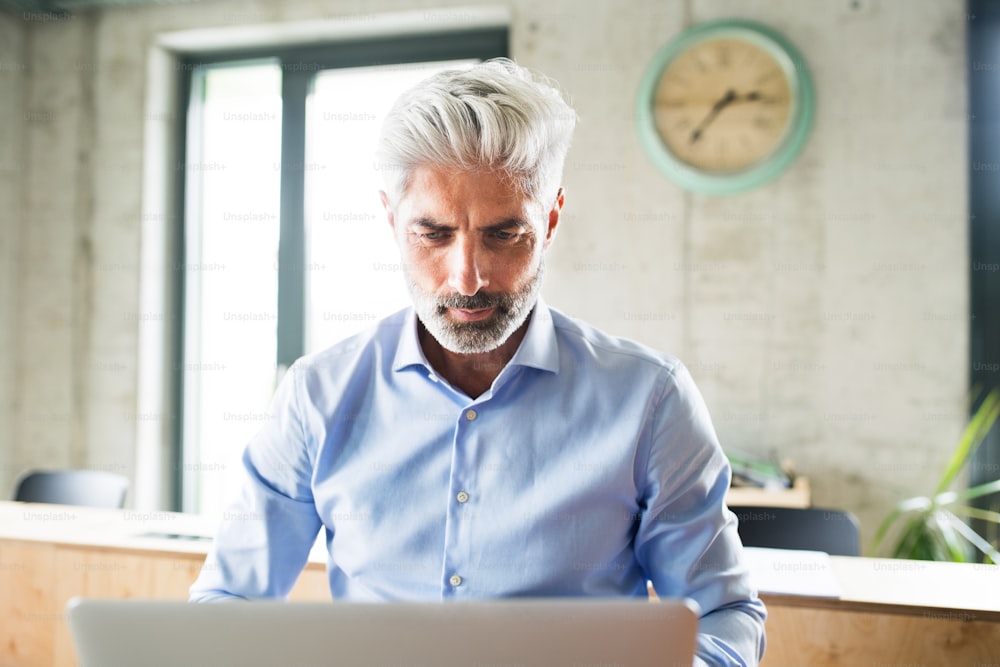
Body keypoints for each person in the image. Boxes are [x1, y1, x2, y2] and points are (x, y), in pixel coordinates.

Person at [189, 57, 766, 666]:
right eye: (434, 234)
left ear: (550, 219)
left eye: (503, 234)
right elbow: (230, 599)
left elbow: (723, 617)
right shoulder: (319, 393)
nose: (468, 278)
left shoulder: (650, 399)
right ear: (392, 221)